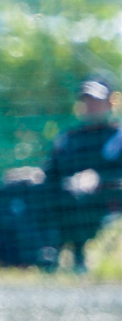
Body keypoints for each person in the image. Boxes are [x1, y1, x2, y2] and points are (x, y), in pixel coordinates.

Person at [41, 78, 122, 270]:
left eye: (96, 101)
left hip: (106, 197)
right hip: (66, 194)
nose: (91, 106)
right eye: (87, 101)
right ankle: (42, 254)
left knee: (78, 200)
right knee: (36, 193)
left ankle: (78, 256)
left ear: (110, 103)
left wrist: (99, 178)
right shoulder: (71, 137)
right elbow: (51, 169)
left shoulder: (118, 137)